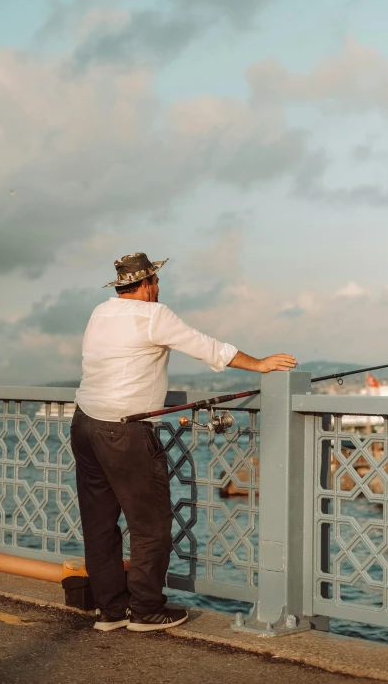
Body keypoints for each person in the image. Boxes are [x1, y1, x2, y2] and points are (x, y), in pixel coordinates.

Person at [71, 252, 296, 633]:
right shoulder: (154, 315)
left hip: (85, 424)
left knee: (99, 524)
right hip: (125, 431)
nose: (159, 288)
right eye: (156, 282)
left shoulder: (99, 312)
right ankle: (146, 609)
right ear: (144, 285)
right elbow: (205, 346)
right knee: (151, 526)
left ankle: (109, 610)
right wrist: (259, 364)